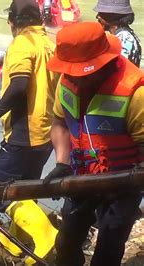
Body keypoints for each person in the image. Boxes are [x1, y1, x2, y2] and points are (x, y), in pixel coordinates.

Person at [44, 22, 144, 266]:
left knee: (108, 246)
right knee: (66, 240)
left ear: (102, 64)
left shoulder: (135, 91)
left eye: (80, 71)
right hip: (81, 176)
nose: (73, 77)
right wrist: (62, 162)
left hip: (124, 182)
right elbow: (60, 123)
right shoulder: (67, 82)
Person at [0, 0, 59, 264]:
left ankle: (46, 236)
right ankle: (18, 239)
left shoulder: (21, 44)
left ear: (12, 22)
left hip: (25, 130)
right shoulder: (50, 44)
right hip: (48, 131)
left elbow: (19, 85)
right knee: (24, 188)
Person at [94, 0, 141, 67]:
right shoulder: (122, 35)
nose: (97, 17)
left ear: (113, 16)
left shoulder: (124, 38)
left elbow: (119, 68)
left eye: (101, 14)